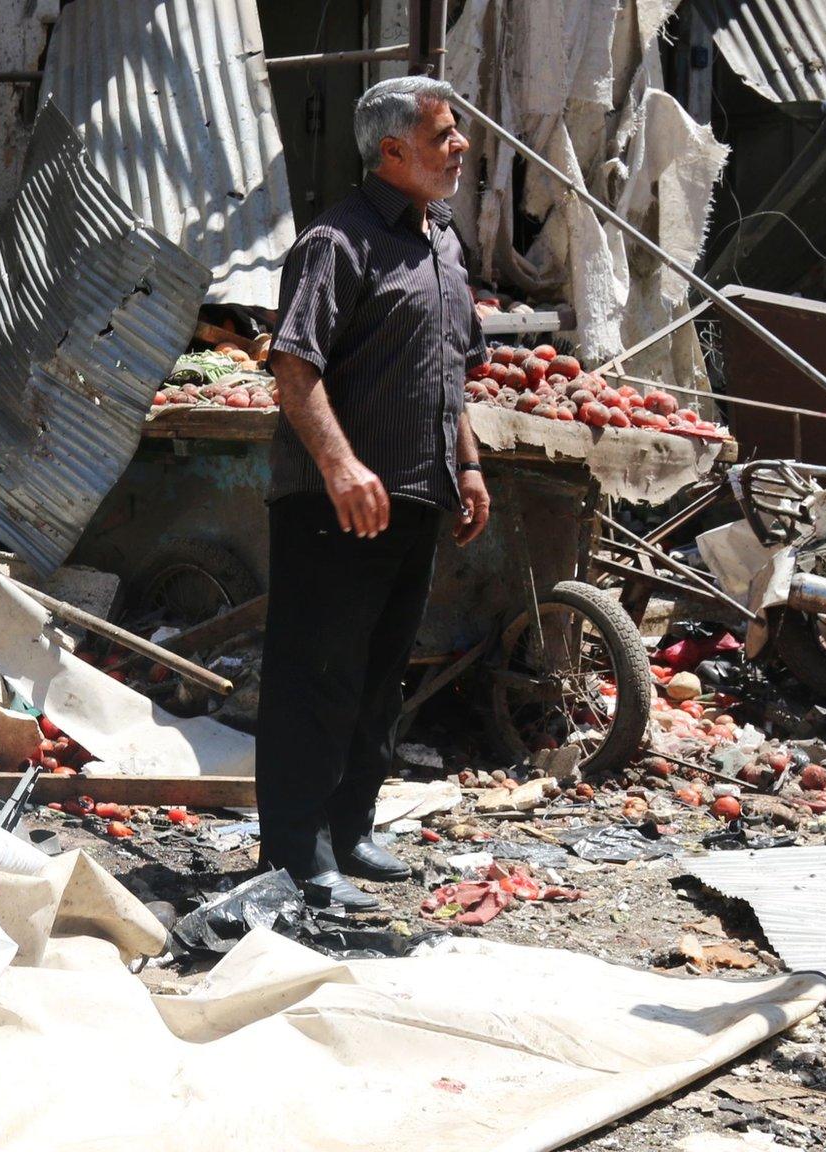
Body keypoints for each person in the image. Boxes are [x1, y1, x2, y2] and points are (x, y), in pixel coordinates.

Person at [258, 75, 492, 910]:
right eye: (442, 135)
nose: (458, 147)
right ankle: (295, 851)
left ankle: (351, 828)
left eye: (455, 132)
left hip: (417, 496)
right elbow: (294, 367)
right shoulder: (337, 241)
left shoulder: (443, 244)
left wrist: (466, 464)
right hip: (335, 504)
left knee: (379, 674)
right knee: (314, 674)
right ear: (392, 151)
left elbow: (452, 375)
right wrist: (341, 467)